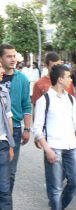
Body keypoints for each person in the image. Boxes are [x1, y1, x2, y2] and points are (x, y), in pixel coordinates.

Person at [33, 64, 76, 210]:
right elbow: (37, 129)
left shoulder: (71, 99)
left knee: (75, 182)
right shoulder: (44, 100)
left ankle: (58, 207)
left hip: (71, 147)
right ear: (60, 79)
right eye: (68, 76)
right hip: (53, 147)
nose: (70, 79)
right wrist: (47, 149)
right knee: (55, 188)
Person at [0, 44, 32, 195]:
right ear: (1, 58)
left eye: (14, 56)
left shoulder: (23, 79)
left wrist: (27, 128)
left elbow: (27, 105)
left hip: (15, 130)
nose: (13, 59)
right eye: (9, 56)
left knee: (10, 172)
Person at [0, 61, 15, 210]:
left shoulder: (4, 92)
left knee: (4, 189)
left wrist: (11, 144)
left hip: (2, 145)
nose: (2, 71)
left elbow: (9, 117)